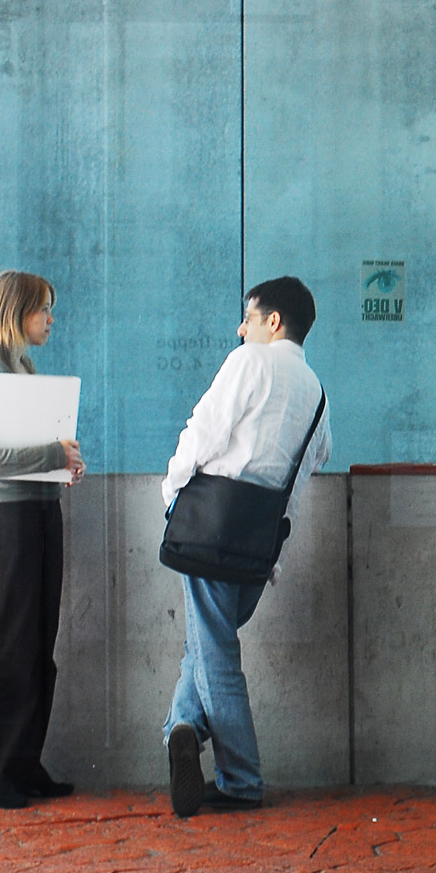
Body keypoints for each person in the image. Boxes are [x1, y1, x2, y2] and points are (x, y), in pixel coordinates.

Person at [161, 276, 332, 817]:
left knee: (216, 652)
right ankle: (184, 726)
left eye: (250, 317)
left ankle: (241, 780)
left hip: (211, 525)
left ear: (273, 322)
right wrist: (275, 556)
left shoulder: (248, 362)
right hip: (259, 542)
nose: (242, 327)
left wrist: (172, 492)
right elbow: (308, 468)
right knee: (207, 644)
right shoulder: (317, 393)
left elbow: (204, 430)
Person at [0, 271, 86, 810]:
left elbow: (28, 450)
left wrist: (63, 465)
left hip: (37, 512)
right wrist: (53, 455)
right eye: (43, 309)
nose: (51, 319)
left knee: (37, 647)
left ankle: (21, 766)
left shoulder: (22, 366)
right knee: (9, 644)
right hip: (4, 517)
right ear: (16, 310)